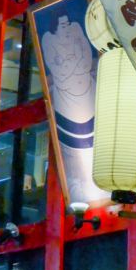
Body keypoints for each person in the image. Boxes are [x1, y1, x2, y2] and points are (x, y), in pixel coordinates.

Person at [41, 12, 102, 201]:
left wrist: (70, 67)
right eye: (62, 26)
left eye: (67, 23)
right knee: (74, 161)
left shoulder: (76, 29)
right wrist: (71, 67)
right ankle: (80, 191)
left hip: (89, 90)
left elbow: (85, 60)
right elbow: (57, 70)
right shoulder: (47, 39)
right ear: (55, 28)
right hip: (64, 101)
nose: (66, 28)